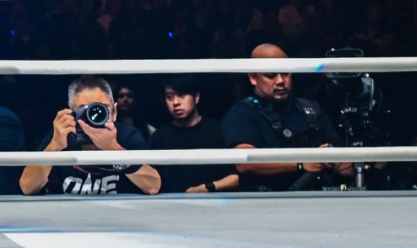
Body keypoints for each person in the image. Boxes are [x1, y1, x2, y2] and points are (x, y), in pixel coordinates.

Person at [222, 43, 354, 191]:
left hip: (316, 198)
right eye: (271, 75)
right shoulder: (241, 113)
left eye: (285, 73)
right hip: (266, 200)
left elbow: (343, 165)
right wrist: (301, 164)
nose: (280, 81)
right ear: (253, 77)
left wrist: (338, 160)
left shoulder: (311, 109)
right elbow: (245, 163)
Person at [19, 75, 161, 196]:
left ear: (114, 112)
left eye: (101, 108)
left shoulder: (127, 135)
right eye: (84, 109)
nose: (93, 116)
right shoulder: (61, 136)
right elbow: (27, 187)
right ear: (72, 113)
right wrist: (55, 146)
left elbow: (153, 186)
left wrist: (114, 149)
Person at [147, 75, 237, 194]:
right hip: (172, 203)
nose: (175, 102)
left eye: (182, 95)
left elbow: (237, 176)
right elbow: (149, 181)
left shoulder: (218, 131)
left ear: (196, 97)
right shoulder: (159, 137)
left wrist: (207, 188)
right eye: (169, 97)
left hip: (213, 201)